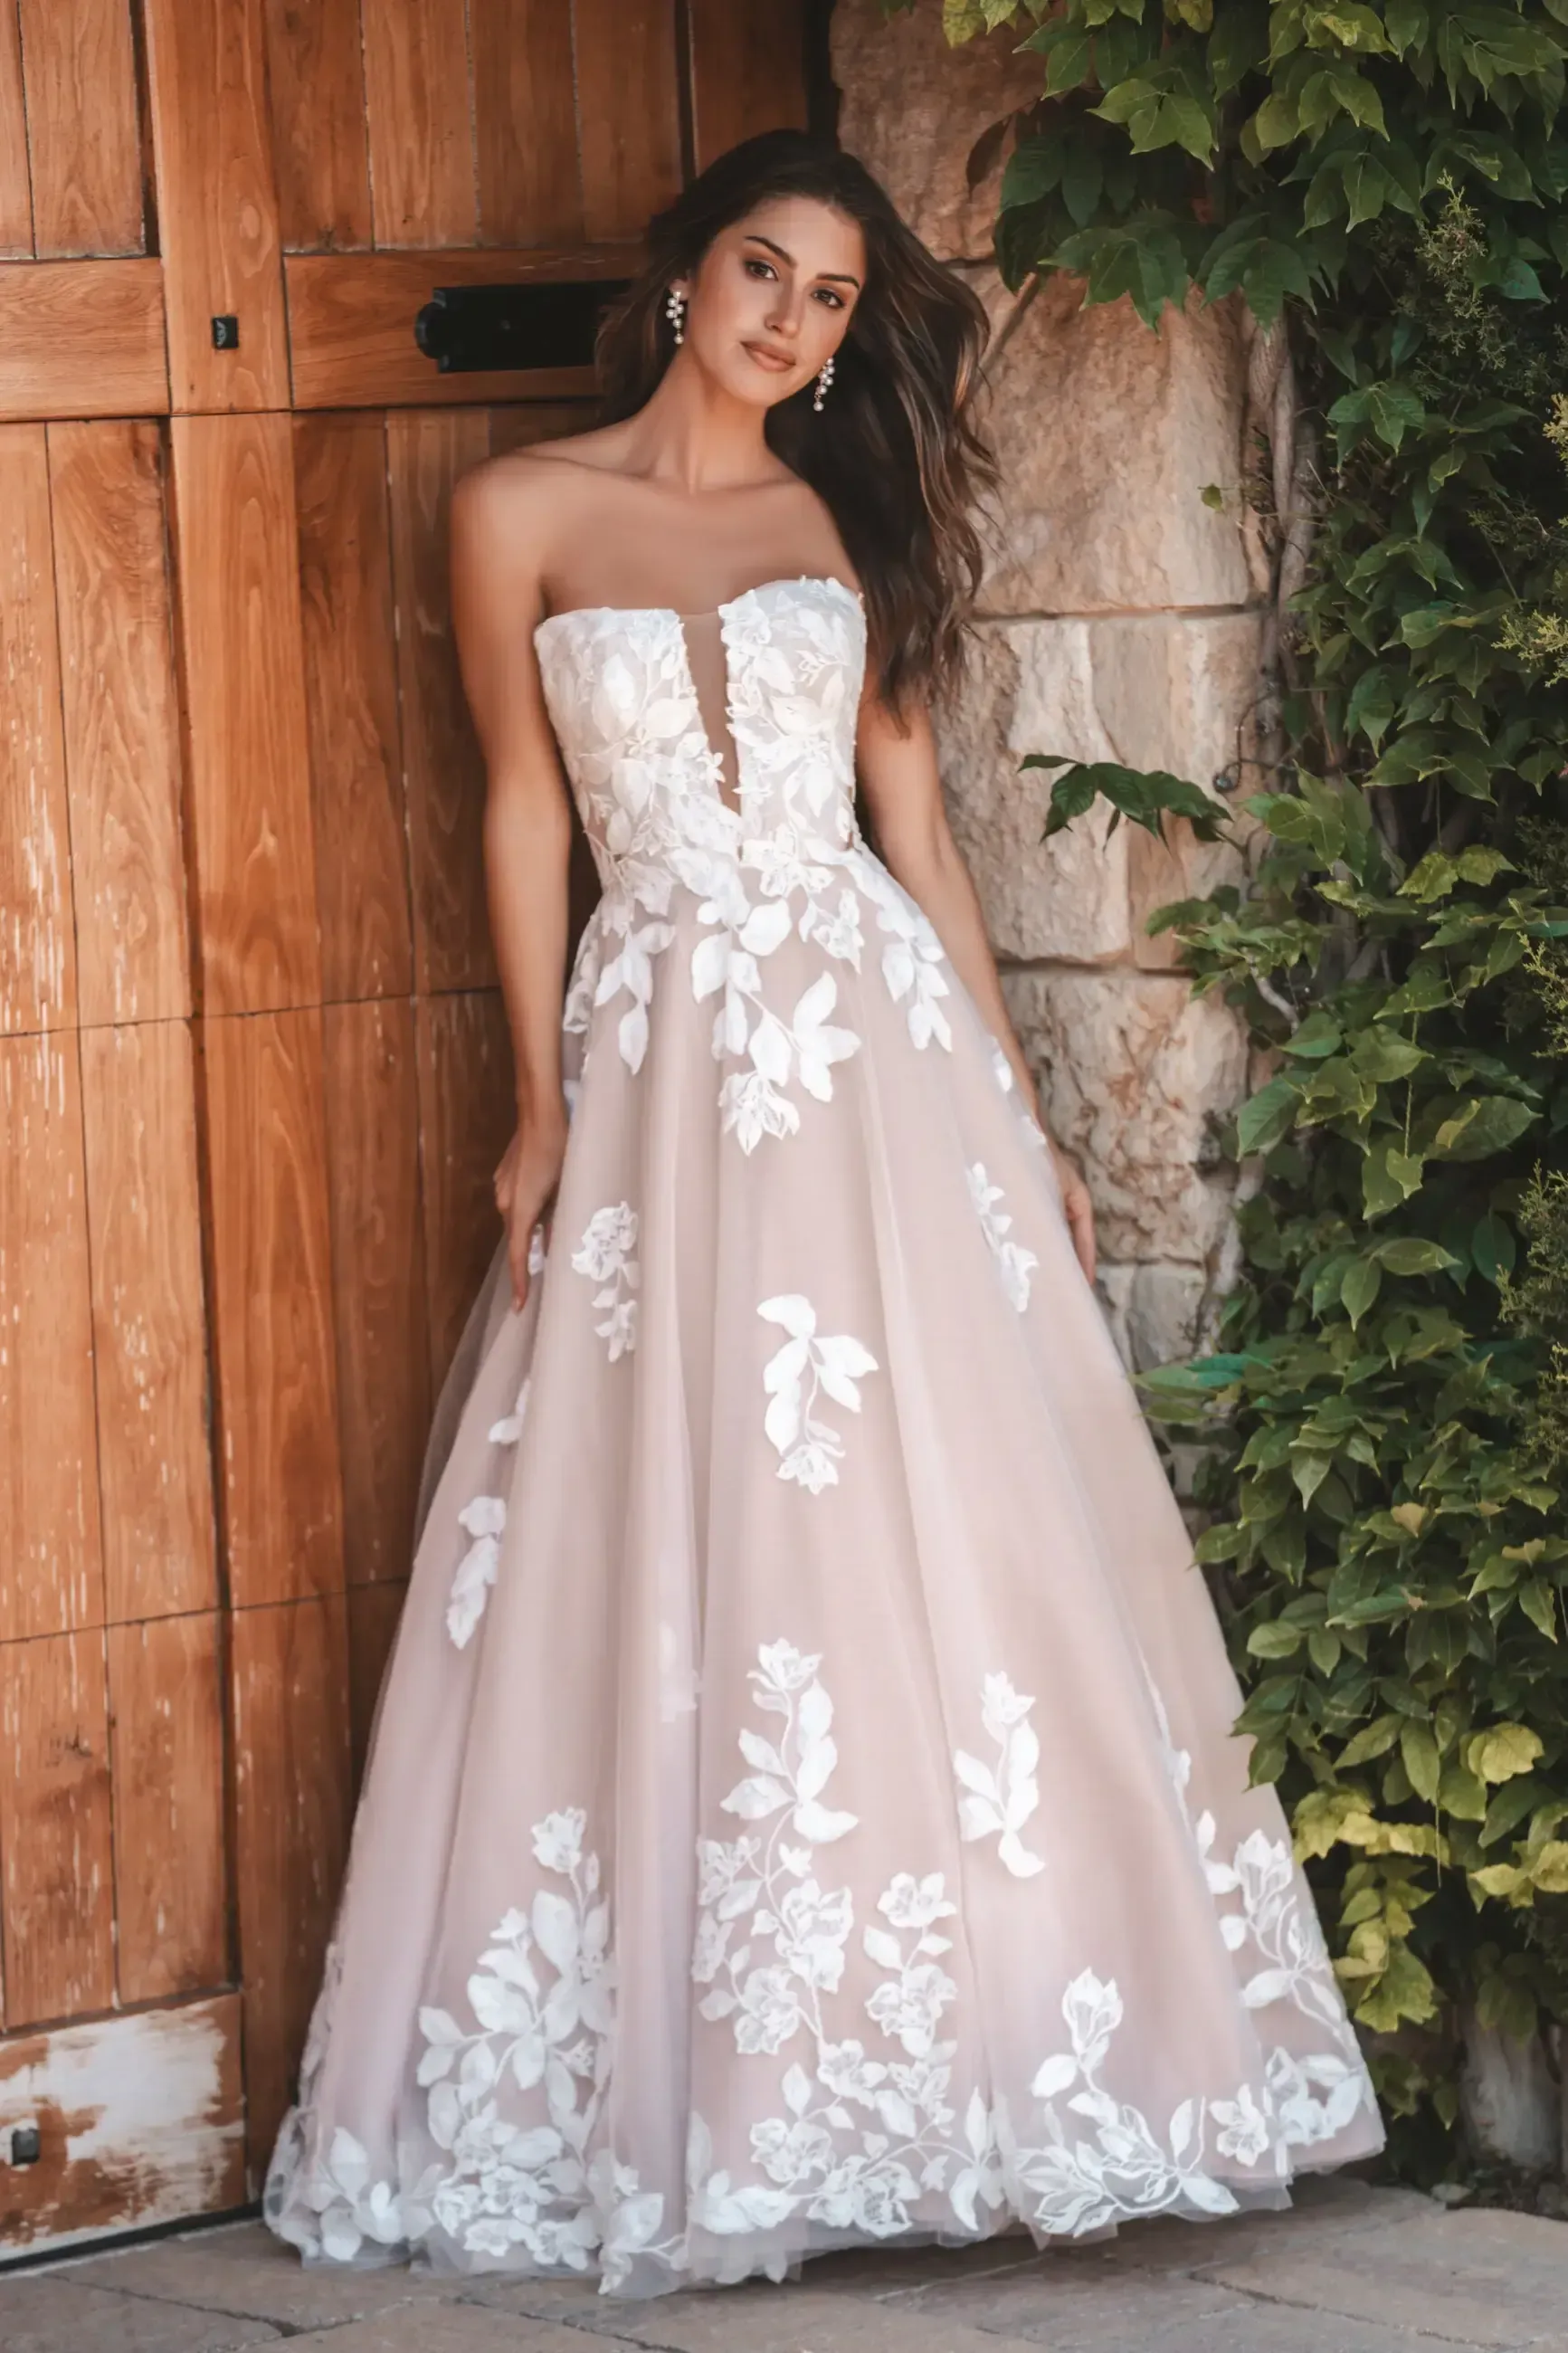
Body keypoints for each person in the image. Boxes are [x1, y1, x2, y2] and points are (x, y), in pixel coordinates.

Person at [263, 129, 1382, 2300]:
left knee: (924, 1517)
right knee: (666, 1512)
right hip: (660, 1042)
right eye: (760, 271)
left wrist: (1022, 1103)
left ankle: (987, 2057)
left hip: (867, 1049)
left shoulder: (846, 513)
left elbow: (918, 836)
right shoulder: (513, 511)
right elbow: (519, 806)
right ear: (682, 271)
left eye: (831, 299)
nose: (790, 320)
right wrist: (528, 1103)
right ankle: (702, 2083)